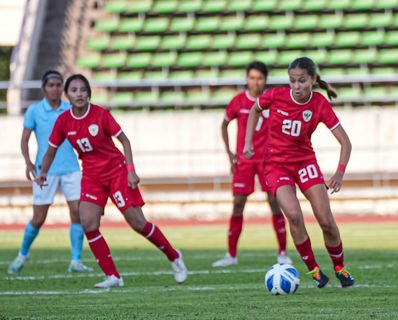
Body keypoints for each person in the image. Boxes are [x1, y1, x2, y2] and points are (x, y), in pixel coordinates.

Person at [35, 74, 187, 288]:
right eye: (74, 90)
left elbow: (124, 141)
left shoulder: (100, 114)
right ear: (67, 94)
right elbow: (50, 151)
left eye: (83, 90)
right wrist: (43, 172)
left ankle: (173, 256)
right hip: (91, 176)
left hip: (116, 172)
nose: (79, 94)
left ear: (89, 93)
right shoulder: (63, 121)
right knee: (88, 223)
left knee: (138, 223)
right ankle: (113, 276)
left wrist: (130, 170)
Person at [243, 57, 354, 288]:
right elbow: (254, 110)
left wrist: (339, 173)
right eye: (292, 81)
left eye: (302, 81)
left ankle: (340, 267)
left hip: (305, 163)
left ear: (313, 80)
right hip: (276, 165)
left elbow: (345, 142)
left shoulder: (319, 103)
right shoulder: (276, 96)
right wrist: (248, 143)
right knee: (293, 215)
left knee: (325, 220)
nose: (296, 86)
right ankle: (314, 270)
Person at [8, 70, 91, 274]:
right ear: (44, 88)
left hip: (71, 168)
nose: (55, 88)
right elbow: (25, 139)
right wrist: (28, 163)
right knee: (39, 218)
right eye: (51, 84)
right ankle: (22, 255)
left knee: (77, 213)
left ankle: (76, 261)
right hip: (45, 170)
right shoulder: (34, 111)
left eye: (58, 84)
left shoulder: (71, 109)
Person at [213, 61, 291, 267]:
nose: (255, 82)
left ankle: (283, 253)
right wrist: (230, 153)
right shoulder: (238, 101)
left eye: (260, 78)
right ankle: (231, 255)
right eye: (252, 78)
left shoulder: (272, 100)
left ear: (265, 80)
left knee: (275, 202)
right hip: (244, 160)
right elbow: (224, 125)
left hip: (268, 161)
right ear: (247, 79)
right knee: (238, 204)